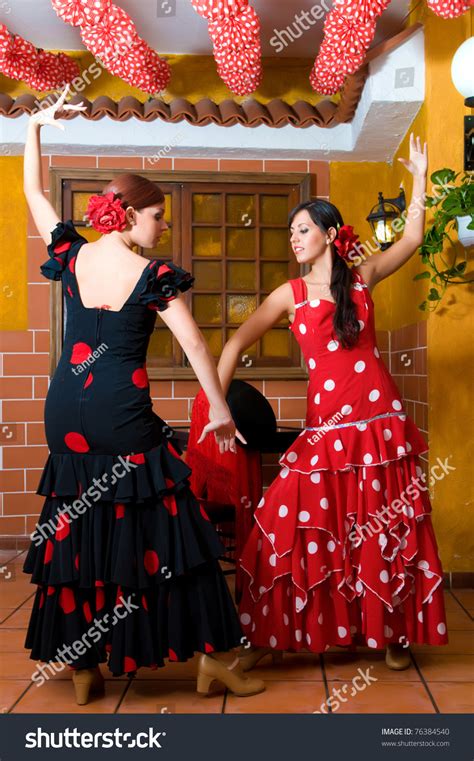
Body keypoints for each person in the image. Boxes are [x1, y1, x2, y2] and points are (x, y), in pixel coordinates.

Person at [21, 86, 264, 704]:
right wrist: (221, 412)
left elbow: (33, 193)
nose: (165, 225)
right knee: (176, 526)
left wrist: (34, 128)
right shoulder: (153, 276)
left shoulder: (72, 255)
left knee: (80, 525)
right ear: (129, 215)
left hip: (65, 408)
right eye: (158, 216)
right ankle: (214, 660)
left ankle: (83, 666)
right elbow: (198, 349)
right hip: (123, 411)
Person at [217, 135, 448, 672]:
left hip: (379, 423)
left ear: (327, 233)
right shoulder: (288, 295)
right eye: (291, 232)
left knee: (387, 523)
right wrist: (217, 407)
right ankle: (267, 634)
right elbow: (232, 344)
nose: (294, 239)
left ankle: (395, 632)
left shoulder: (361, 278)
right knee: (294, 521)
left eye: (303, 229)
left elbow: (413, 236)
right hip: (327, 425)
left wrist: (419, 176)